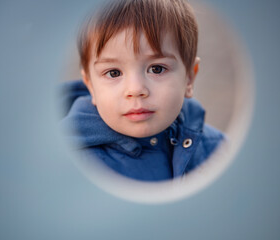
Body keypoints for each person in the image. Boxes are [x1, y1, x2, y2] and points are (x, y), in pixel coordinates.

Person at [61, 0, 224, 181]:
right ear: (90, 85)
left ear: (189, 78)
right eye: (114, 73)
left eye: (156, 69)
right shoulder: (70, 165)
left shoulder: (217, 152)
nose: (136, 89)